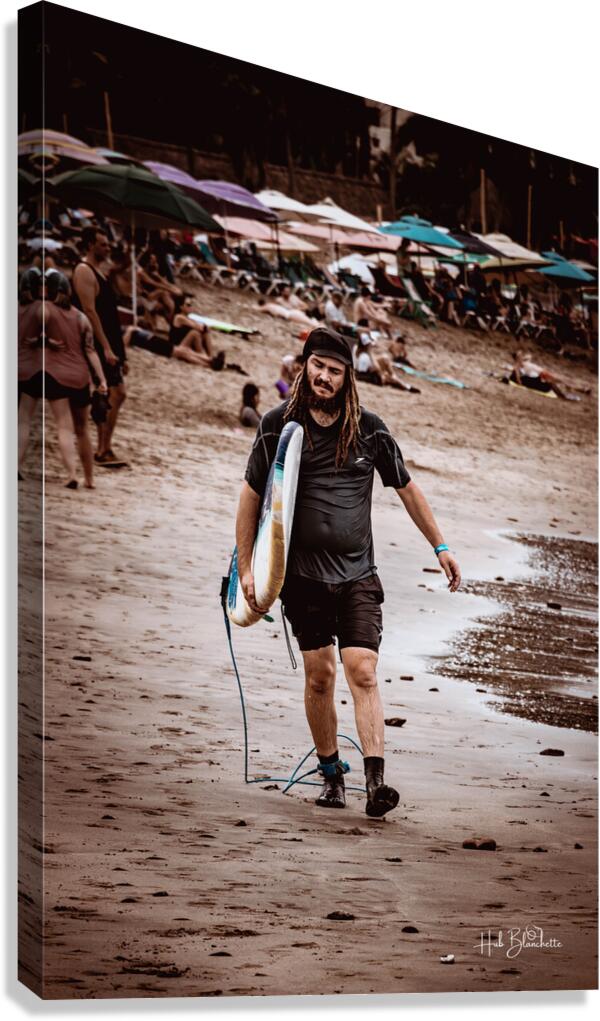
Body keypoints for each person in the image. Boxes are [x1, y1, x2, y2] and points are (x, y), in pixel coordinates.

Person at [235, 327, 461, 817]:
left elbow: (407, 488)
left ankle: (376, 783)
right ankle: (332, 775)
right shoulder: (278, 425)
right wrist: (246, 569)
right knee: (320, 676)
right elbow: (251, 496)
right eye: (317, 366)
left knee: (362, 669)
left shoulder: (370, 429)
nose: (323, 376)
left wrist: (440, 545)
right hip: (303, 577)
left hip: (358, 574)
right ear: (304, 366)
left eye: (335, 371)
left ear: (347, 379)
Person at [18, 270, 108, 488]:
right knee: (78, 429)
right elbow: (90, 351)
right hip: (77, 377)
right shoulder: (81, 317)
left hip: (37, 372)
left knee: (24, 420)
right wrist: (102, 379)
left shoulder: (30, 310)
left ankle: (16, 466)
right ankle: (85, 478)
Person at [72, 226, 129, 468]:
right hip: (97, 344)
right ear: (90, 245)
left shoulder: (100, 273)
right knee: (111, 394)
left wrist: (118, 350)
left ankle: (104, 447)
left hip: (110, 343)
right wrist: (105, 347)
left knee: (114, 394)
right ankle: (102, 448)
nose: (107, 248)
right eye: (103, 244)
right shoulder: (84, 271)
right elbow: (89, 312)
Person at [169, 294, 225, 369]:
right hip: (177, 346)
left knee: (205, 334)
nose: (191, 307)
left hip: (185, 344)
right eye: (188, 305)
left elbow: (201, 327)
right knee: (194, 333)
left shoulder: (186, 317)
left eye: (191, 305)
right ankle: (206, 358)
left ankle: (210, 357)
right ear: (181, 307)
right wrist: (204, 327)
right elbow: (198, 327)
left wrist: (204, 328)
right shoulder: (179, 317)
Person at [509, 350, 587, 399]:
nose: (522, 355)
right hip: (541, 375)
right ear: (517, 357)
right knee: (559, 381)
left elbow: (529, 356)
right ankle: (578, 390)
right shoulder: (519, 365)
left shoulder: (524, 362)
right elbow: (518, 377)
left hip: (541, 374)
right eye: (520, 355)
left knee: (561, 381)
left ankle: (578, 389)